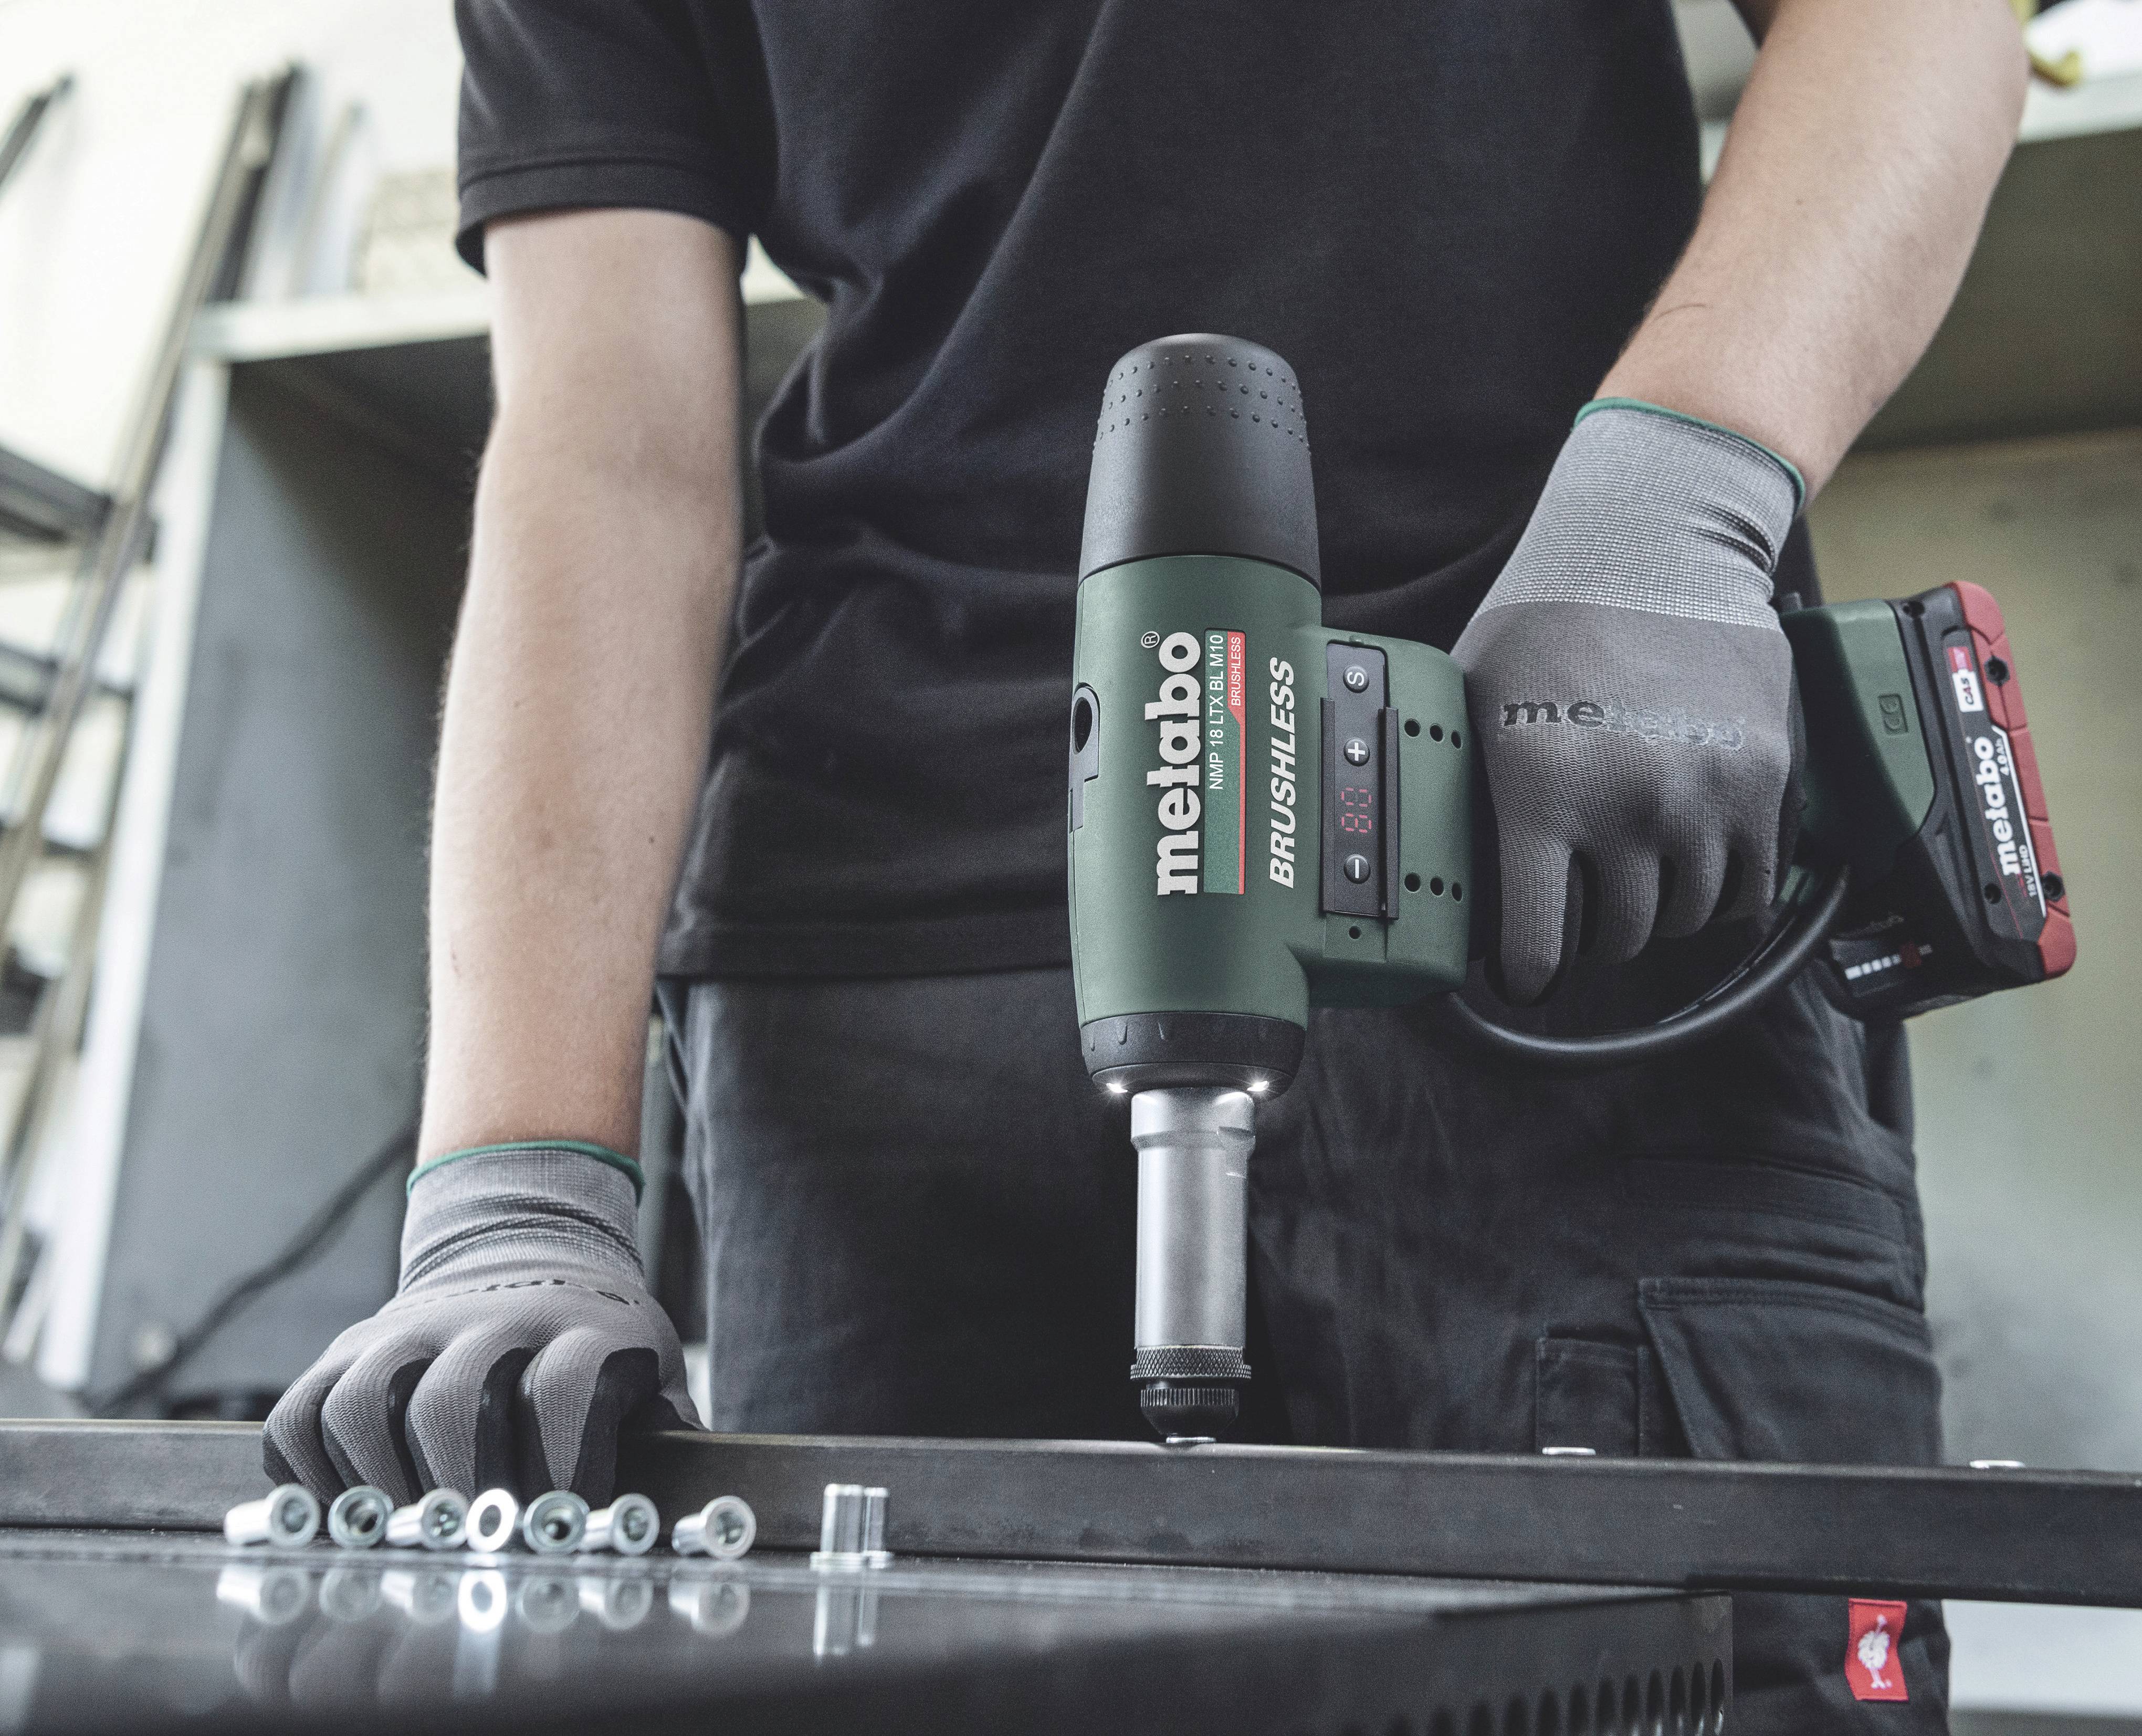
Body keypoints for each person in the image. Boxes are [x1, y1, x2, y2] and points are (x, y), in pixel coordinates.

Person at [266, 1, 2031, 1726]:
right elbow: (607, 451)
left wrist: (1682, 486)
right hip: (896, 1009)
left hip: (1551, 867)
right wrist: (516, 1176)